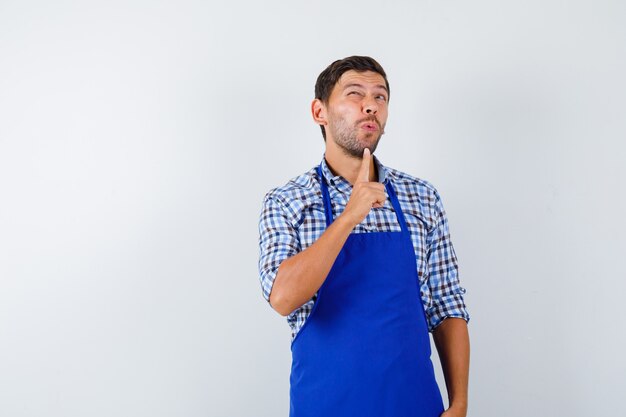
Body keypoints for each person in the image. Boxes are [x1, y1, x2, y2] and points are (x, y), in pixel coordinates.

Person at [257, 56, 470, 417]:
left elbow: (446, 306)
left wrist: (460, 403)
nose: (371, 105)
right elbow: (283, 298)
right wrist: (349, 215)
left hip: (415, 406)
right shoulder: (287, 202)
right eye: (355, 94)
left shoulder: (422, 198)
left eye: (380, 96)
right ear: (319, 111)